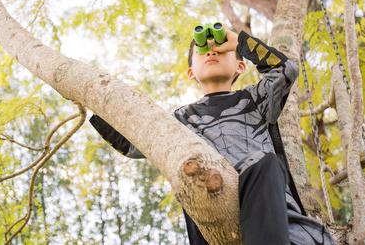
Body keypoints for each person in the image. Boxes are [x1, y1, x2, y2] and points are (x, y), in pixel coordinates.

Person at [89, 25, 336, 245]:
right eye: (202, 50)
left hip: (280, 221)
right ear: (190, 73)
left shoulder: (254, 100)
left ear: (241, 66)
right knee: (261, 163)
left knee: (265, 163)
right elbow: (133, 143)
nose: (211, 51)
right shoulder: (178, 120)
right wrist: (90, 100)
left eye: (221, 49)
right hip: (215, 211)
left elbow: (285, 70)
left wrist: (239, 42)